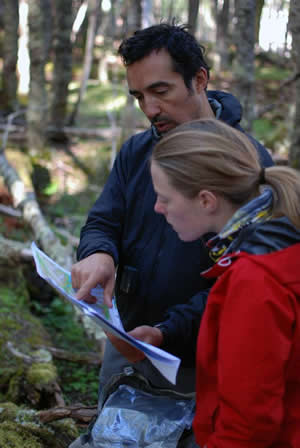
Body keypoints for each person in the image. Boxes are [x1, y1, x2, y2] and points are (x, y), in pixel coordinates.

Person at [70, 23, 273, 447]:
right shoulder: (136, 152)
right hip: (127, 347)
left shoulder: (244, 165)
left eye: (161, 91)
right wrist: (99, 253)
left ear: (199, 79)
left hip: (203, 365)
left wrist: (167, 333)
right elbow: (103, 220)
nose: (149, 108)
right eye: (140, 96)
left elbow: (242, 284)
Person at [150, 118, 300, 448]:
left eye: (165, 198)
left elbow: (248, 427)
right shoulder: (278, 239)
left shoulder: (256, 279)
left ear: (206, 200)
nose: (157, 208)